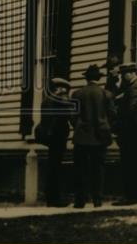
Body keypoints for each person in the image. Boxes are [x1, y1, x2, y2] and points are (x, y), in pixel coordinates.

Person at [70, 65, 115, 208]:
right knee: (99, 169)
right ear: (99, 78)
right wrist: (107, 127)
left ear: (86, 78)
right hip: (101, 136)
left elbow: (72, 116)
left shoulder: (77, 94)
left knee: (80, 169)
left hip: (82, 137)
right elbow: (113, 115)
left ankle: (80, 201)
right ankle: (97, 200)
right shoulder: (106, 94)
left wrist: (79, 127)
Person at [112, 62, 137, 206]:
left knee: (130, 164)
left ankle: (132, 196)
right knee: (133, 163)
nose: (123, 77)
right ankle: (136, 195)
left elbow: (131, 111)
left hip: (131, 132)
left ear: (131, 73)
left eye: (124, 74)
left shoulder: (136, 88)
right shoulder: (134, 87)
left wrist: (117, 120)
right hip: (133, 132)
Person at [36, 76, 74, 207]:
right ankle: (55, 199)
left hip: (51, 138)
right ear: (58, 88)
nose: (65, 92)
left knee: (53, 167)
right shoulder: (58, 101)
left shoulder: (46, 100)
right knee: (55, 168)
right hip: (57, 137)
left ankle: (51, 198)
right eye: (64, 89)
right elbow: (68, 115)